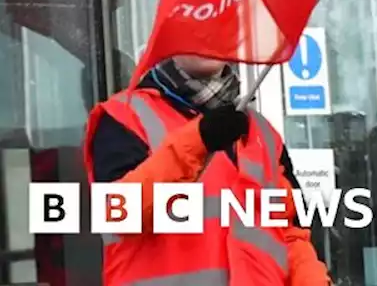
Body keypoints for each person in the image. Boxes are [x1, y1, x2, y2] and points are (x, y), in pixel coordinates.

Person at [84, 55, 331, 285]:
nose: (205, 43)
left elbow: (291, 235)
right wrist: (197, 142)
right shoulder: (126, 116)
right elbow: (119, 211)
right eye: (192, 28)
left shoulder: (262, 133)